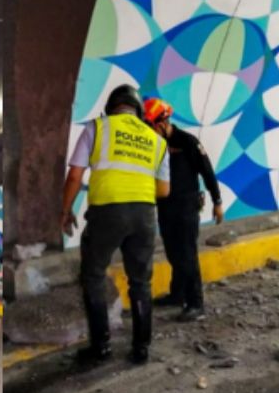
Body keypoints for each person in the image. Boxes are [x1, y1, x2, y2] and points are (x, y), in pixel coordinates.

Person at [61, 84, 170, 364]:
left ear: (112, 107)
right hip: (145, 215)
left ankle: (101, 348)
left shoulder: (97, 128)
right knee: (141, 281)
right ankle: (141, 348)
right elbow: (164, 191)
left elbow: (75, 175)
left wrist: (66, 210)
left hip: (107, 212)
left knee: (94, 275)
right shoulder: (157, 140)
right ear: (139, 111)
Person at [141, 98, 224, 322]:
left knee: (187, 254)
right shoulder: (153, 145)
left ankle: (196, 303)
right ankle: (177, 294)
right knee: (173, 252)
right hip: (166, 207)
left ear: (161, 123)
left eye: (149, 126)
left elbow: (207, 171)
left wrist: (217, 202)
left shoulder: (187, 142)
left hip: (186, 207)